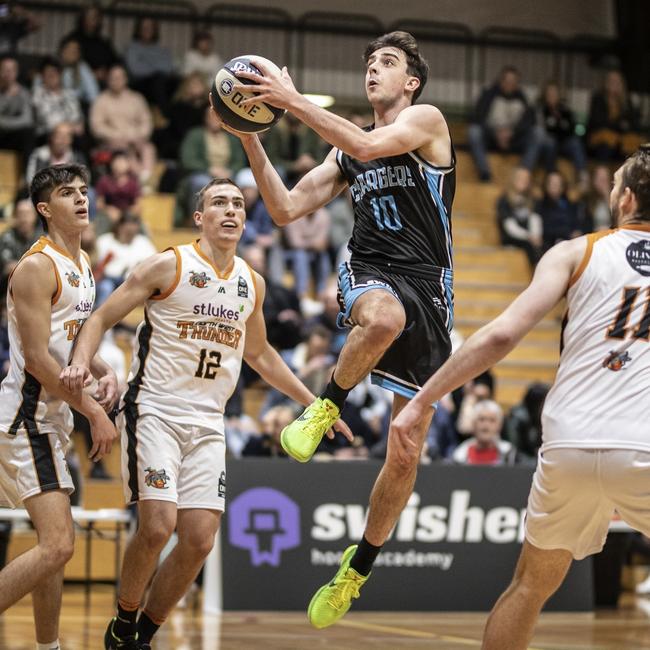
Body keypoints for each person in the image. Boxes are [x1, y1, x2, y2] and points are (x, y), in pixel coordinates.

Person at [219, 30, 455, 627]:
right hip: (373, 269)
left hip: (431, 285)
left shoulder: (424, 120)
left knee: (404, 448)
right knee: (383, 317)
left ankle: (357, 568)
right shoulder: (345, 149)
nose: (375, 70)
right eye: (371, 62)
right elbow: (285, 208)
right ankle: (326, 406)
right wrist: (251, 137)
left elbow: (371, 148)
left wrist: (292, 99)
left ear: (411, 82)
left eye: (388, 63)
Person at [59, 178, 352, 649]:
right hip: (154, 407)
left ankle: (144, 636)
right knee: (157, 525)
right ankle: (123, 622)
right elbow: (98, 318)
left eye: (238, 203)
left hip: (208, 421)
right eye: (219, 203)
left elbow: (261, 354)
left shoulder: (250, 282)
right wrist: (80, 362)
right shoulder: (169, 265)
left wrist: (315, 402)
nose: (231, 210)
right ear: (200, 218)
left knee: (198, 540)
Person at [391, 146, 650, 650]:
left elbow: (500, 336)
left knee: (530, 586)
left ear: (625, 200)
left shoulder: (576, 252)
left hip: (569, 446)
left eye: (615, 183)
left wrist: (424, 398)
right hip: (644, 445)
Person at [0, 163, 118, 649]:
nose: (81, 199)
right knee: (59, 545)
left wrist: (103, 366)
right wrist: (94, 410)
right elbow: (36, 358)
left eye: (84, 191)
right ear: (46, 209)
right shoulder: (35, 266)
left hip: (52, 418)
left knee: (55, 549)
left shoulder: (83, 262)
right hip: (25, 418)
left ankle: (47, 647)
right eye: (68, 193)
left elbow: (70, 346)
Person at [467, 66, 540, 182]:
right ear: (501, 81)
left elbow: (530, 122)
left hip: (514, 139)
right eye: (507, 81)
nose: (509, 84)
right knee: (474, 131)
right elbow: (477, 117)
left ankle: (523, 174)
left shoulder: (523, 99)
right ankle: (485, 174)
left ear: (517, 84)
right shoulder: (488, 95)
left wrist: (512, 133)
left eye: (513, 81)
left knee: (538, 133)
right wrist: (496, 133)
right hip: (491, 138)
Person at [496, 167, 543, 268]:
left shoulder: (532, 199)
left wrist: (535, 235)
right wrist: (528, 236)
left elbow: (535, 219)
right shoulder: (504, 200)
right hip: (512, 237)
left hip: (530, 238)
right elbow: (509, 226)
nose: (524, 182)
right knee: (530, 247)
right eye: (520, 179)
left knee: (544, 244)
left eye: (526, 180)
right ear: (513, 180)